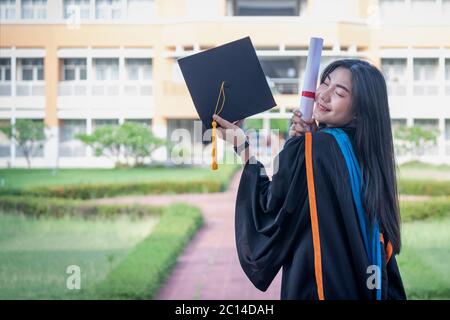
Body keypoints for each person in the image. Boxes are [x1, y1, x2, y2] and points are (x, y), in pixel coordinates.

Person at [212, 59, 407, 300]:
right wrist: (303, 143)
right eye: (324, 84)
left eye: (339, 92)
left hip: (316, 288)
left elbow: (271, 207)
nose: (323, 95)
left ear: (359, 111)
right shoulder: (367, 152)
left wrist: (242, 145)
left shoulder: (317, 147)